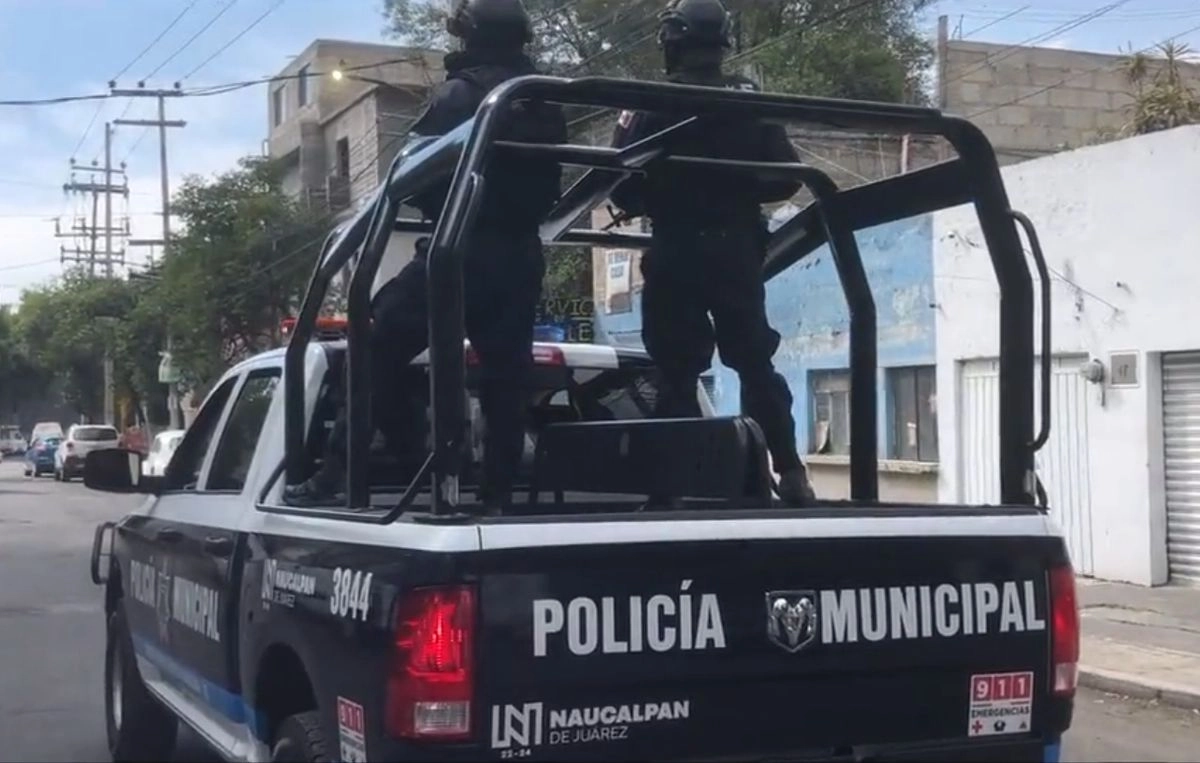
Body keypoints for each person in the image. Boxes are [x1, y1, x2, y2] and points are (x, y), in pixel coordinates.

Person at [284, 0, 566, 508]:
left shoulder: (464, 95)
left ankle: (350, 469)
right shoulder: (542, 100)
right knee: (507, 379)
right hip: (521, 255)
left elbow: (410, 177)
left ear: (470, 36)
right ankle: (497, 493)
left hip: (458, 248)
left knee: (376, 342)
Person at [608, 0, 816, 506]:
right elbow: (786, 178)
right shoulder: (748, 99)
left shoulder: (649, 99)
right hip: (737, 249)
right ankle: (791, 474)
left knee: (676, 370)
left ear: (673, 41)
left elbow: (621, 188)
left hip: (677, 247)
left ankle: (673, 490)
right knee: (754, 362)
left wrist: (671, 188)